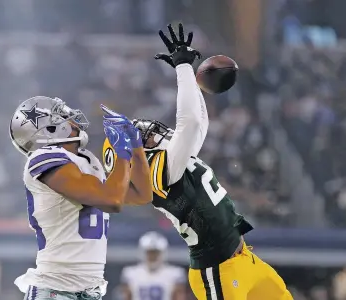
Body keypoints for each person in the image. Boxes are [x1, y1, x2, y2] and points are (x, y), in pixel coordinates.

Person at [103, 24, 293, 300]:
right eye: (142, 137)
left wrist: (190, 76)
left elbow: (200, 123)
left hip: (245, 260)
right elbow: (190, 123)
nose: (152, 133)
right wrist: (182, 68)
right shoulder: (161, 175)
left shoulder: (170, 162)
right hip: (218, 271)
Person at [9, 96, 152, 300]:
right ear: (48, 129)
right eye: (63, 116)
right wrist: (122, 152)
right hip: (54, 291)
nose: (72, 118)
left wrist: (136, 148)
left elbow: (142, 194)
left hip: (90, 291)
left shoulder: (88, 160)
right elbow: (112, 201)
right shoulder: (44, 158)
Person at [119, 231, 187, 300]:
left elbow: (179, 297)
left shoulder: (175, 274)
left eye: (155, 253)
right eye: (149, 253)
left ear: (163, 253)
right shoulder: (130, 273)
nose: (152, 256)